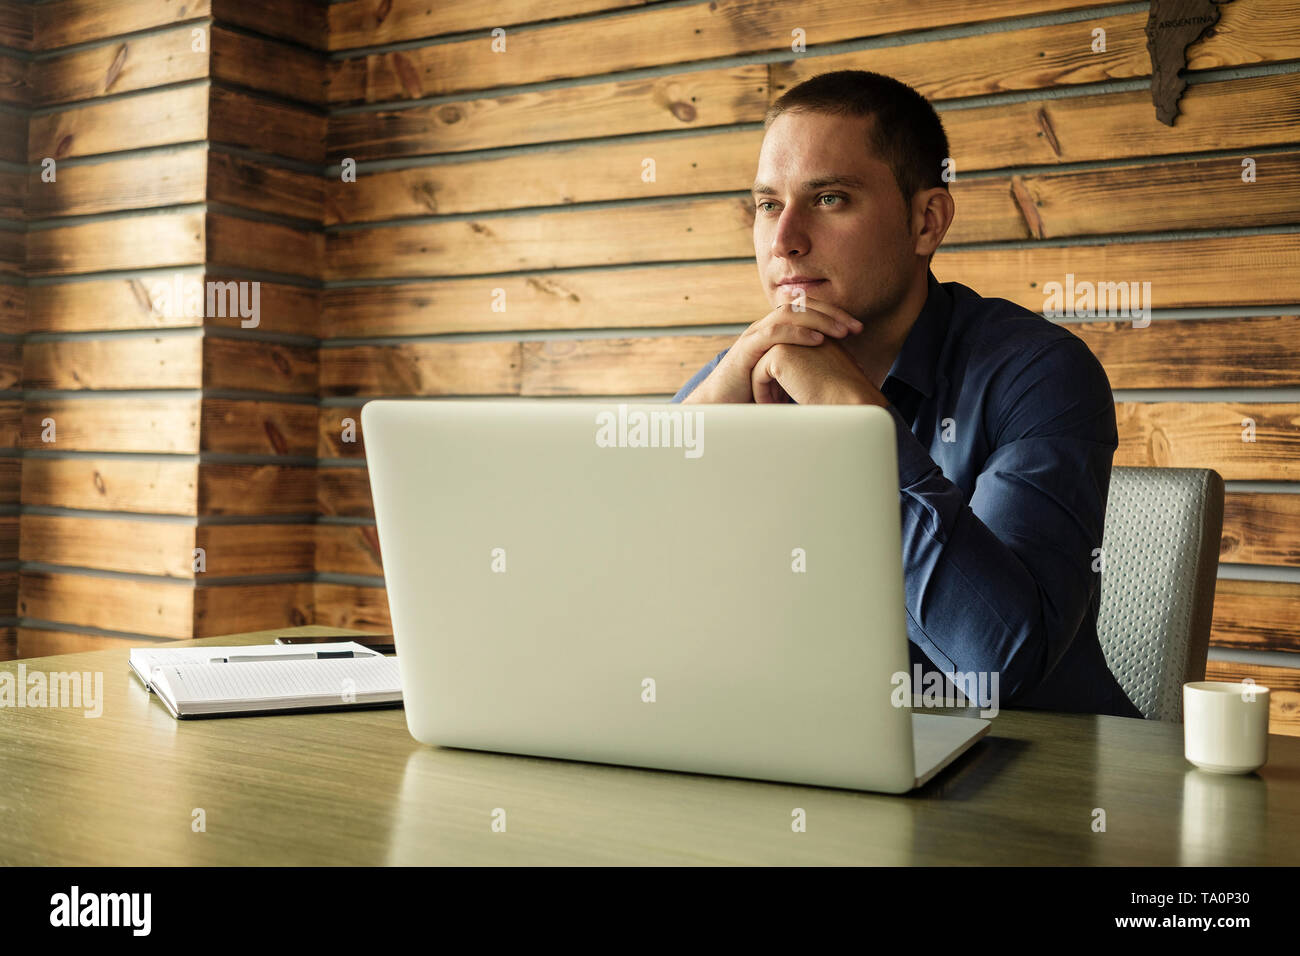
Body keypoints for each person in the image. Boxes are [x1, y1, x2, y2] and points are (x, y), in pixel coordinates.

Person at [671, 69, 1142, 719]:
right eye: (768, 205)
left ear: (926, 222)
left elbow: (999, 667)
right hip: (817, 766)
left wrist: (856, 427)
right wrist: (700, 429)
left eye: (830, 198)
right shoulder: (740, 377)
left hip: (1032, 785)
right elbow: (620, 609)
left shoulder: (1040, 373)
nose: (784, 241)